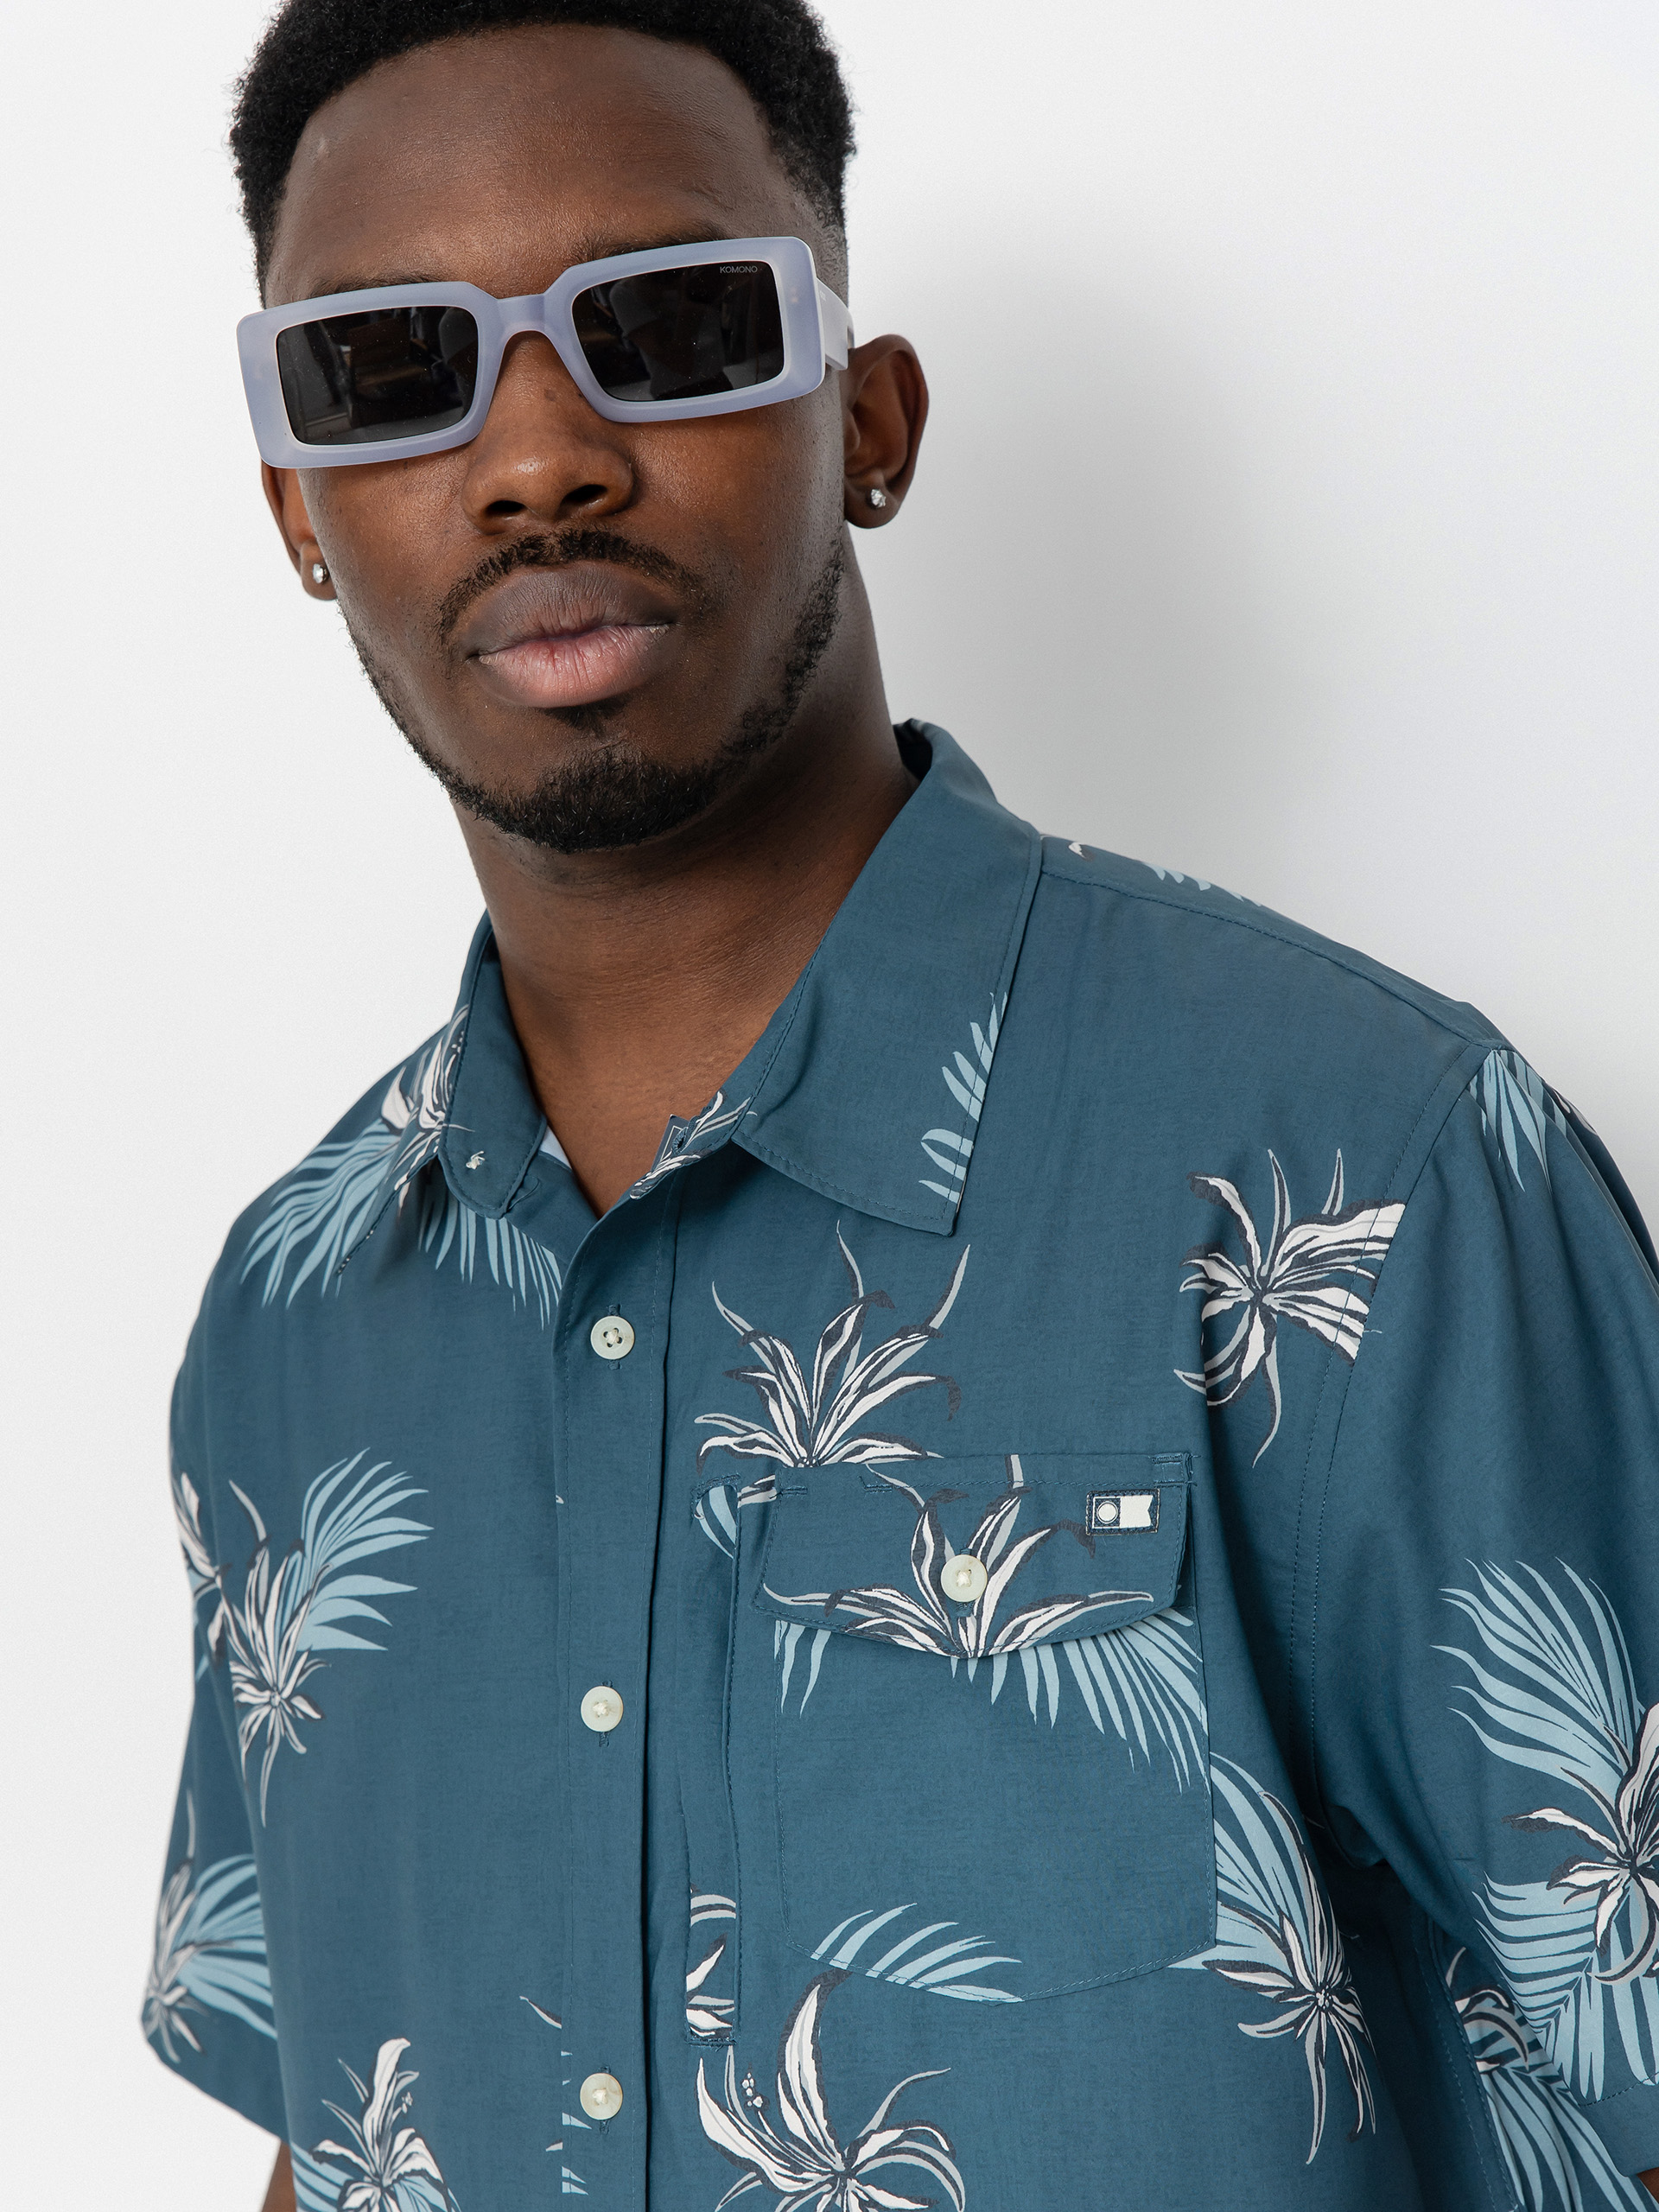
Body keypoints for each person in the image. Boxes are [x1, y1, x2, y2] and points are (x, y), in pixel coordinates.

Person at [142, 3, 1659, 2206]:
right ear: (299, 507)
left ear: (870, 422)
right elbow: (343, 2116)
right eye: (389, 369)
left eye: (668, 327)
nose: (538, 457)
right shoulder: (295, 1316)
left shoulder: (1368, 1172)